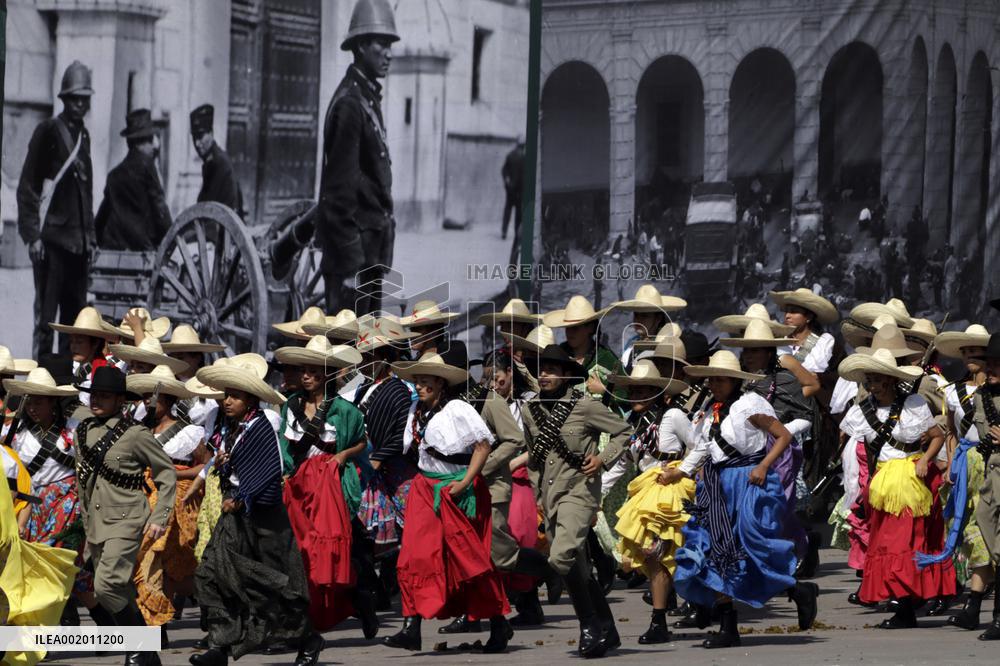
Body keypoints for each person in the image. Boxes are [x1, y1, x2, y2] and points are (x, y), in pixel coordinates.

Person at [663, 351, 806, 648]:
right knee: (716, 551)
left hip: (746, 481)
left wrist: (764, 466)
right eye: (711, 378)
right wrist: (683, 472)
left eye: (720, 378)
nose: (714, 383)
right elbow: (703, 447)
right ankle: (729, 627)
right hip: (716, 485)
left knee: (753, 550)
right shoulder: (711, 409)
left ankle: (799, 590)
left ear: (733, 380)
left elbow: (782, 436)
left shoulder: (748, 406)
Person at [191, 360, 320, 666]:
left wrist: (242, 496)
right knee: (212, 573)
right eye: (226, 395)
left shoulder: (261, 426)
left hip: (265, 520)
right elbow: (227, 462)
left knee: (273, 587)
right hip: (233, 518)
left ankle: (308, 639)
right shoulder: (227, 426)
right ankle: (219, 648)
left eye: (235, 395)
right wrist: (220, 466)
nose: (227, 401)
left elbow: (269, 472)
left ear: (250, 398)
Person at [383, 351, 511, 653]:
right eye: (417, 379)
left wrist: (466, 482)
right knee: (414, 556)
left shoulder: (457, 408)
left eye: (425, 380)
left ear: (441, 382)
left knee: (470, 561)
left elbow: (483, 446)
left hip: (457, 489)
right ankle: (410, 627)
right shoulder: (416, 410)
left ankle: (497, 622)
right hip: (424, 489)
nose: (420, 385)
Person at [522, 345, 632, 658]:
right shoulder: (532, 410)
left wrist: (602, 459)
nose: (544, 375)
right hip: (551, 496)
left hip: (580, 492)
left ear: (567, 374)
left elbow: (623, 431)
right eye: (541, 369)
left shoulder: (583, 406)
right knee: (578, 570)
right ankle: (607, 629)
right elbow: (535, 458)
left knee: (561, 558)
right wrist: (535, 494)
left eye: (552, 369)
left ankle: (589, 627)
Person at [837, 349, 952, 629]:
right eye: (869, 381)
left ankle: (906, 604)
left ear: (890, 380)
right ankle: (904, 603)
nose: (873, 386)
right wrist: (857, 488)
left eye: (877, 380)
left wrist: (926, 459)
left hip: (913, 479)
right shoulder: (862, 410)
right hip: (883, 482)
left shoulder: (912, 403)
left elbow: (937, 436)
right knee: (886, 543)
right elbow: (858, 450)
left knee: (906, 543)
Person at [274, 337, 380, 637]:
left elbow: (361, 440)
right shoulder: (291, 407)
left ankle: (344, 605)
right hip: (298, 484)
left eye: (313, 371)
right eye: (303, 370)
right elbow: (285, 443)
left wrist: (342, 456)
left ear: (326, 374)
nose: (305, 376)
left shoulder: (344, 410)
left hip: (329, 482)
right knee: (300, 551)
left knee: (325, 552)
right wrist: (286, 472)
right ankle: (310, 619)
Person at [74, 366, 176, 666]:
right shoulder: (84, 430)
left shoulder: (135, 434)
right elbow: (84, 485)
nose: (97, 401)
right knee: (116, 588)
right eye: (94, 395)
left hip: (127, 518)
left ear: (120, 400)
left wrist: (160, 516)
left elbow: (166, 474)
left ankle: (137, 646)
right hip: (95, 523)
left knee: (106, 585)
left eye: (105, 396)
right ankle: (147, 650)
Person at [317, 0, 400, 316]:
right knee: (346, 356)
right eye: (382, 43)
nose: (389, 52)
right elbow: (338, 196)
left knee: (367, 349)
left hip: (370, 254)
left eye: (390, 43)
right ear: (362, 45)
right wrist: (352, 268)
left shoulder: (366, 97)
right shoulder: (350, 104)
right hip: (352, 262)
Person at [608, 361, 696, 644]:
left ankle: (677, 612)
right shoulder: (631, 425)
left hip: (671, 489)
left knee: (663, 553)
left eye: (643, 391)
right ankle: (661, 619)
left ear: (658, 393)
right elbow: (621, 464)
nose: (636, 397)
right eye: (633, 391)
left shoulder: (672, 416)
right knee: (652, 555)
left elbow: (700, 445)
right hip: (646, 492)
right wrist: (597, 495)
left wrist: (681, 470)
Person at [17, 61, 96, 359]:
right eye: (75, 98)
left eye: (85, 98)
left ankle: (64, 384)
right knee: (47, 320)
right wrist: (33, 236)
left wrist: (92, 239)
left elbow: (86, 193)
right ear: (64, 99)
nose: (80, 104)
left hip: (78, 247)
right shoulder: (48, 130)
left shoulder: (83, 137)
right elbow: (27, 186)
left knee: (74, 324)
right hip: (51, 243)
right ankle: (40, 379)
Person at [126, 367, 206, 642]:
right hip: (142, 500)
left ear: (169, 400)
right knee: (157, 563)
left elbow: (205, 468)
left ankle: (155, 626)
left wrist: (173, 474)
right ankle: (156, 624)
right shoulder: (139, 432)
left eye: (154, 398)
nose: (148, 403)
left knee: (157, 557)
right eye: (146, 397)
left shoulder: (190, 433)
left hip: (176, 501)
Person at [934, 324, 994, 631]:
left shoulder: (995, 392)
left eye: (978, 352)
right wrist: (950, 467)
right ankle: (974, 604)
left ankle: (975, 604)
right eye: (967, 352)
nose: (972, 357)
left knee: (988, 531)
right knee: (971, 532)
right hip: (965, 464)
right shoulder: (951, 392)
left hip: (991, 464)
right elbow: (951, 432)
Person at [95, 109, 172, 252]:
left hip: (115, 250)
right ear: (140, 143)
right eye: (150, 140)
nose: (153, 146)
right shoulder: (147, 166)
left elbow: (102, 216)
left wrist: (95, 240)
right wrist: (172, 239)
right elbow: (159, 209)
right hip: (144, 251)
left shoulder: (113, 176)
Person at [971, 333, 1000, 640]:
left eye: (996, 364)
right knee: (992, 547)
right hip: (990, 482)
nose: (988, 369)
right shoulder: (982, 396)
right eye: (987, 363)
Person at [189, 104, 244, 216]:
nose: (197, 143)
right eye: (194, 137)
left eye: (200, 136)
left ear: (211, 133)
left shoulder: (218, 163)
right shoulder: (214, 159)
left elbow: (210, 207)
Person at [501, 137, 525, 241]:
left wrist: (507, 182)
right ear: (523, 145)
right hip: (519, 190)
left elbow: (504, 170)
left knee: (508, 210)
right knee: (518, 213)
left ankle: (504, 231)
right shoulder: (524, 157)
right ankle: (516, 234)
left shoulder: (510, 155)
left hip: (510, 188)